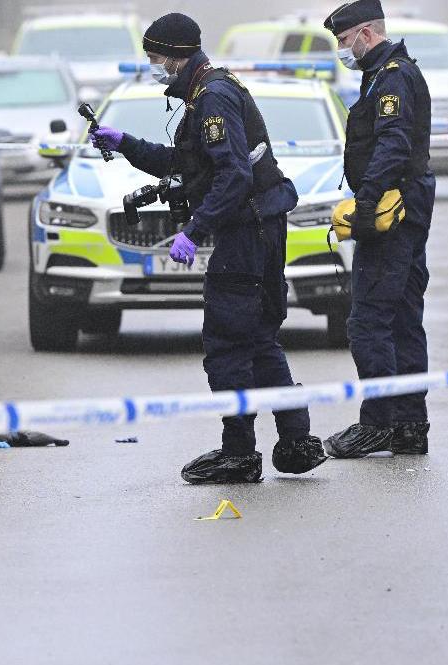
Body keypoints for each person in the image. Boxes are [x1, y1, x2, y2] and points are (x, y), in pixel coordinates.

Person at [90, 13, 327, 483]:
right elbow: (187, 164)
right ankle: (296, 439)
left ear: (177, 55)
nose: (154, 66)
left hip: (248, 231)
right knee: (258, 335)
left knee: (226, 341)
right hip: (260, 225)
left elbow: (234, 175)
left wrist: (194, 231)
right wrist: (127, 144)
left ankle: (239, 453)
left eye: (156, 58)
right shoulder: (203, 92)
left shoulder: (213, 97)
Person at [319, 0, 436, 459]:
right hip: (408, 210)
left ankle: (379, 424)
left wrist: (366, 202)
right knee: (405, 320)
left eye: (345, 41)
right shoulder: (387, 73)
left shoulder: (392, 78)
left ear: (367, 33)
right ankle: (410, 425)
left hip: (393, 213)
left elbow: (394, 142)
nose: (343, 50)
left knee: (367, 322)